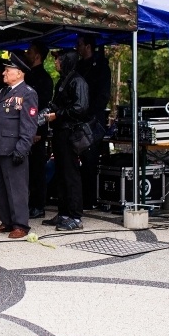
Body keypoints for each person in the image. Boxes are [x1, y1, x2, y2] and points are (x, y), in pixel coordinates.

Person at [0, 53, 38, 238]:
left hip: (13, 148)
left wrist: (21, 149)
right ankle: (6, 221)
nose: (4, 73)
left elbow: (29, 125)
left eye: (8, 70)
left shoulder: (27, 93)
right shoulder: (3, 91)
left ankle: (20, 224)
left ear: (19, 73)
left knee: (17, 188)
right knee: (0, 187)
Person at [42, 49, 90, 231]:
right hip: (60, 133)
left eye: (58, 59)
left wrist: (58, 114)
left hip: (71, 134)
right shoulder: (63, 81)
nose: (55, 62)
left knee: (71, 175)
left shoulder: (78, 81)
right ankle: (63, 213)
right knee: (61, 174)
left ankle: (75, 217)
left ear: (66, 61)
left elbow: (81, 107)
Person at [76, 34, 111, 210]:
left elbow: (103, 95)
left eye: (80, 44)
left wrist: (89, 113)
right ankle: (80, 197)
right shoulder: (79, 66)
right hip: (79, 119)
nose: (77, 48)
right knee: (78, 159)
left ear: (88, 46)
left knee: (90, 159)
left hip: (93, 120)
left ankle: (89, 198)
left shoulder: (101, 67)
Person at [25, 41, 54, 219]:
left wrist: (37, 129)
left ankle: (38, 205)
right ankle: (29, 203)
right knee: (27, 169)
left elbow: (43, 107)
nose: (26, 54)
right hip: (26, 128)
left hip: (36, 128)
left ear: (37, 56)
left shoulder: (44, 78)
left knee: (37, 168)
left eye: (30, 51)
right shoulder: (28, 75)